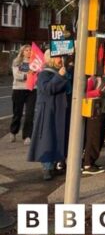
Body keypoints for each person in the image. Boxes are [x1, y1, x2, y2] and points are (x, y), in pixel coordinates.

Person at [27, 50, 69, 181]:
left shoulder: (60, 71)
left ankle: (54, 165)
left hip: (58, 110)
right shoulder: (45, 73)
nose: (60, 60)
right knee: (47, 138)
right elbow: (47, 89)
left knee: (56, 137)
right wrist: (60, 77)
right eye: (57, 57)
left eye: (61, 57)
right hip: (48, 111)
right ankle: (47, 167)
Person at [82, 56, 105, 175]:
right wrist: (97, 92)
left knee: (100, 138)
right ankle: (87, 164)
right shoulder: (94, 78)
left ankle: (91, 161)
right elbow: (84, 93)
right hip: (96, 111)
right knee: (93, 138)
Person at [10, 45, 36, 144]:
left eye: (30, 50)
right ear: (22, 52)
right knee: (17, 113)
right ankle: (13, 131)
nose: (29, 52)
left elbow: (38, 74)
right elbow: (17, 75)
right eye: (27, 50)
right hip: (18, 89)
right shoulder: (17, 62)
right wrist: (28, 74)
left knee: (30, 114)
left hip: (32, 89)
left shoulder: (35, 62)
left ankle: (27, 136)